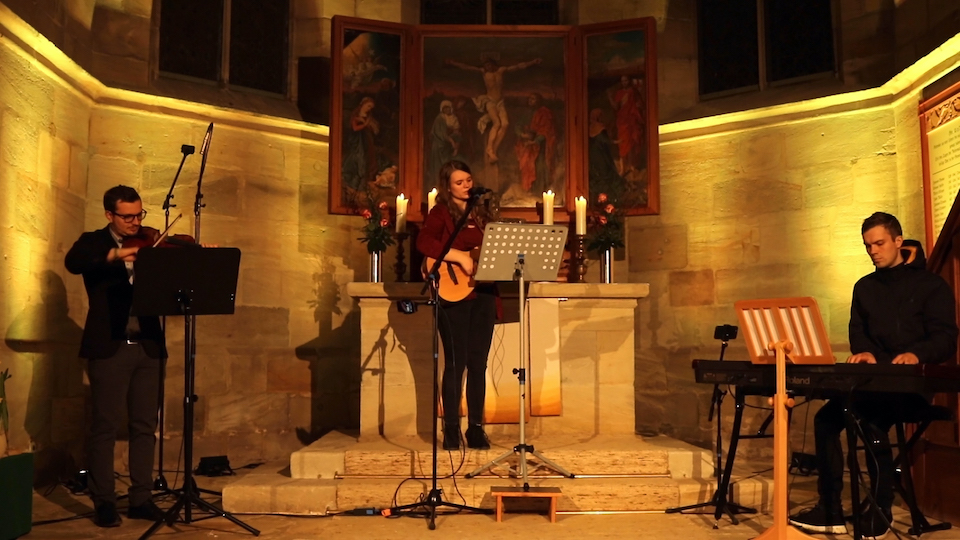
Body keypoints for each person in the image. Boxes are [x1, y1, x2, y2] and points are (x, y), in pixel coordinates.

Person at [788, 212, 958, 539]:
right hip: (873, 383)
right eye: (868, 246)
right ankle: (831, 509)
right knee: (826, 419)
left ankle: (881, 507)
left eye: (879, 243)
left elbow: (946, 337)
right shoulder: (864, 287)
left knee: (869, 421)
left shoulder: (930, 285)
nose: (873, 251)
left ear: (898, 241)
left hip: (912, 385)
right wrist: (863, 352)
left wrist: (917, 354)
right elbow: (859, 332)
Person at [64, 185, 168, 527]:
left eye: (139, 214)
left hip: (149, 347)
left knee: (144, 426)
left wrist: (197, 257)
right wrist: (114, 256)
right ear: (110, 214)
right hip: (110, 346)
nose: (135, 222)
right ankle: (104, 501)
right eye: (127, 216)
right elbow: (74, 262)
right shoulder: (94, 242)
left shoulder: (151, 244)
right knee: (105, 426)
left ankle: (141, 498)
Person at [416, 160, 499, 451]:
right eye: (459, 182)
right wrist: (460, 257)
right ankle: (451, 428)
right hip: (453, 294)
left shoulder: (481, 213)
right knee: (455, 363)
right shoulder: (441, 213)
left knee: (478, 363)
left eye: (468, 180)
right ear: (447, 186)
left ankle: (476, 428)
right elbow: (424, 242)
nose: (466, 186)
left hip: (484, 293)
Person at [445, 56, 542, 164]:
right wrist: (453, 62)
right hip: (489, 100)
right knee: (496, 123)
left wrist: (533, 61)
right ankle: (490, 149)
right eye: (486, 65)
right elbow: (467, 67)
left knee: (505, 124)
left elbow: (518, 67)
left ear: (493, 64)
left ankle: (493, 150)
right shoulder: (483, 72)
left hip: (500, 102)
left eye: (489, 64)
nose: (488, 67)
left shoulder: (501, 71)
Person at [514, 92, 556, 193]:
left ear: (539, 101)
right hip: (526, 145)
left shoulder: (544, 113)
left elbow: (546, 130)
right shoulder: (526, 113)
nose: (531, 101)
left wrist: (535, 141)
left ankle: (539, 191)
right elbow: (518, 126)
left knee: (539, 168)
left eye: (533, 99)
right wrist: (522, 135)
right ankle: (528, 189)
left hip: (540, 147)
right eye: (530, 99)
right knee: (525, 166)